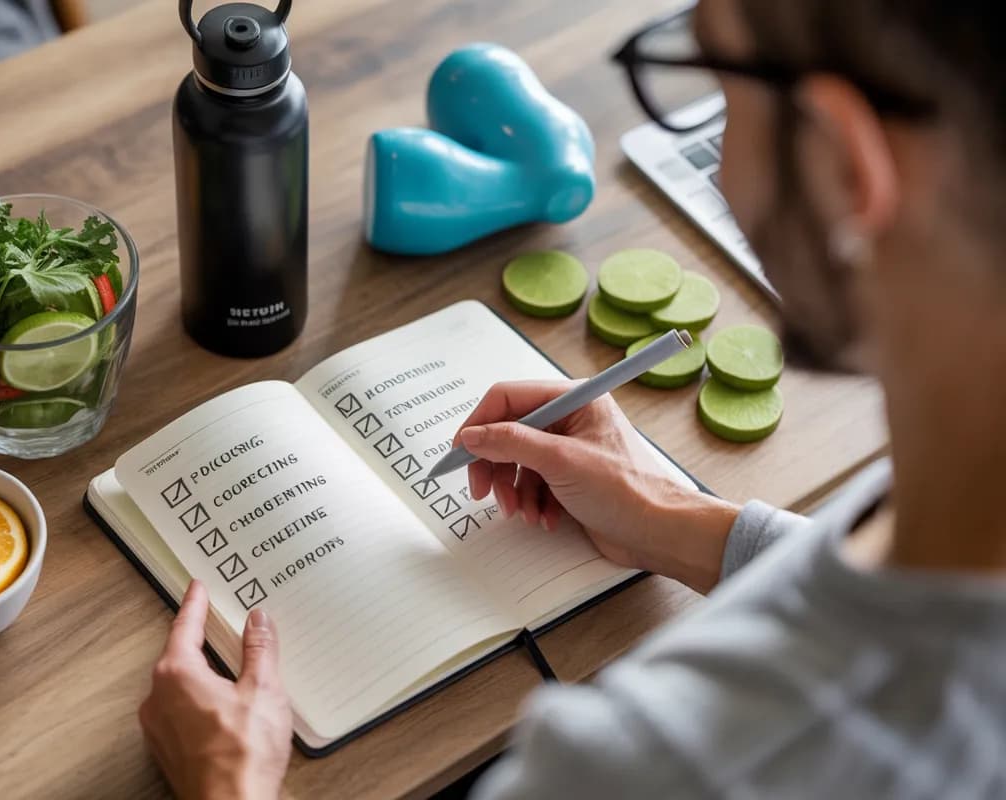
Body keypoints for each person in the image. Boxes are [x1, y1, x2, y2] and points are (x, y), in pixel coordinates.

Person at [138, 0, 1006, 795]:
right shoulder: (948, 478)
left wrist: (228, 785)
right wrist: (677, 518)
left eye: (716, 81)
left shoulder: (647, 763)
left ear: (843, 166)